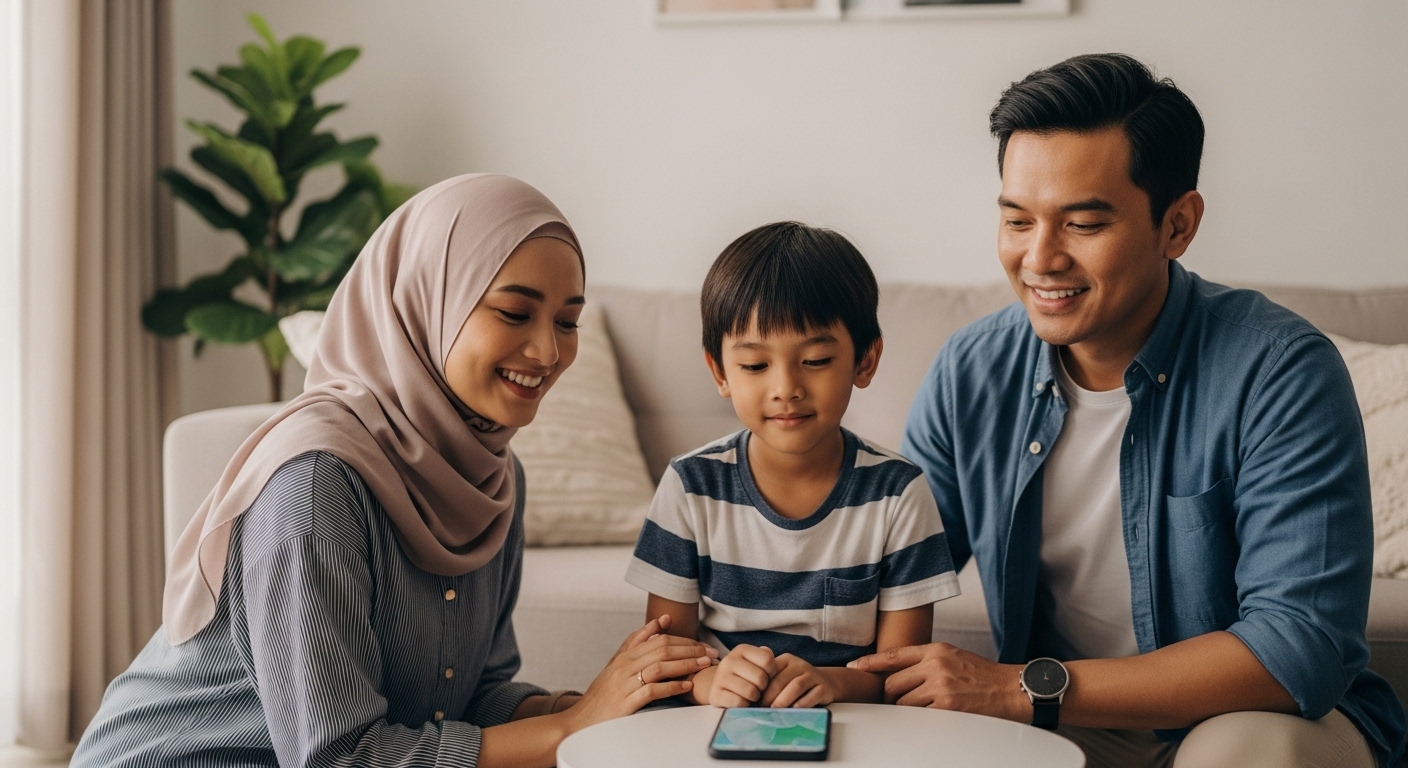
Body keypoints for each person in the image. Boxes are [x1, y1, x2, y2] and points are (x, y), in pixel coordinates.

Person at [845, 53, 1407, 767]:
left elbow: (1300, 646)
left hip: (1249, 720)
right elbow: (886, 573)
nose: (1040, 259)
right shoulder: (972, 369)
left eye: (1081, 224)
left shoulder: (1279, 370)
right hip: (1056, 724)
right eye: (1018, 220)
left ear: (1177, 225)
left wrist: (1024, 688)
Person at [72, 174, 717, 768]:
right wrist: (569, 729)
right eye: (514, 313)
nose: (549, 351)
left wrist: (613, 700)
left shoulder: (494, 479)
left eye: (567, 322)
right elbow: (338, 758)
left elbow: (477, 696)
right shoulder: (315, 484)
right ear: (425, 303)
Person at [625, 222, 960, 708]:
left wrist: (836, 682)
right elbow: (666, 658)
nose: (785, 388)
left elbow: (904, 673)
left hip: (852, 721)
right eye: (756, 366)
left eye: (817, 360)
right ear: (720, 372)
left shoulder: (898, 493)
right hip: (717, 721)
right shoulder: (691, 485)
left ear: (865, 361)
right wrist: (709, 682)